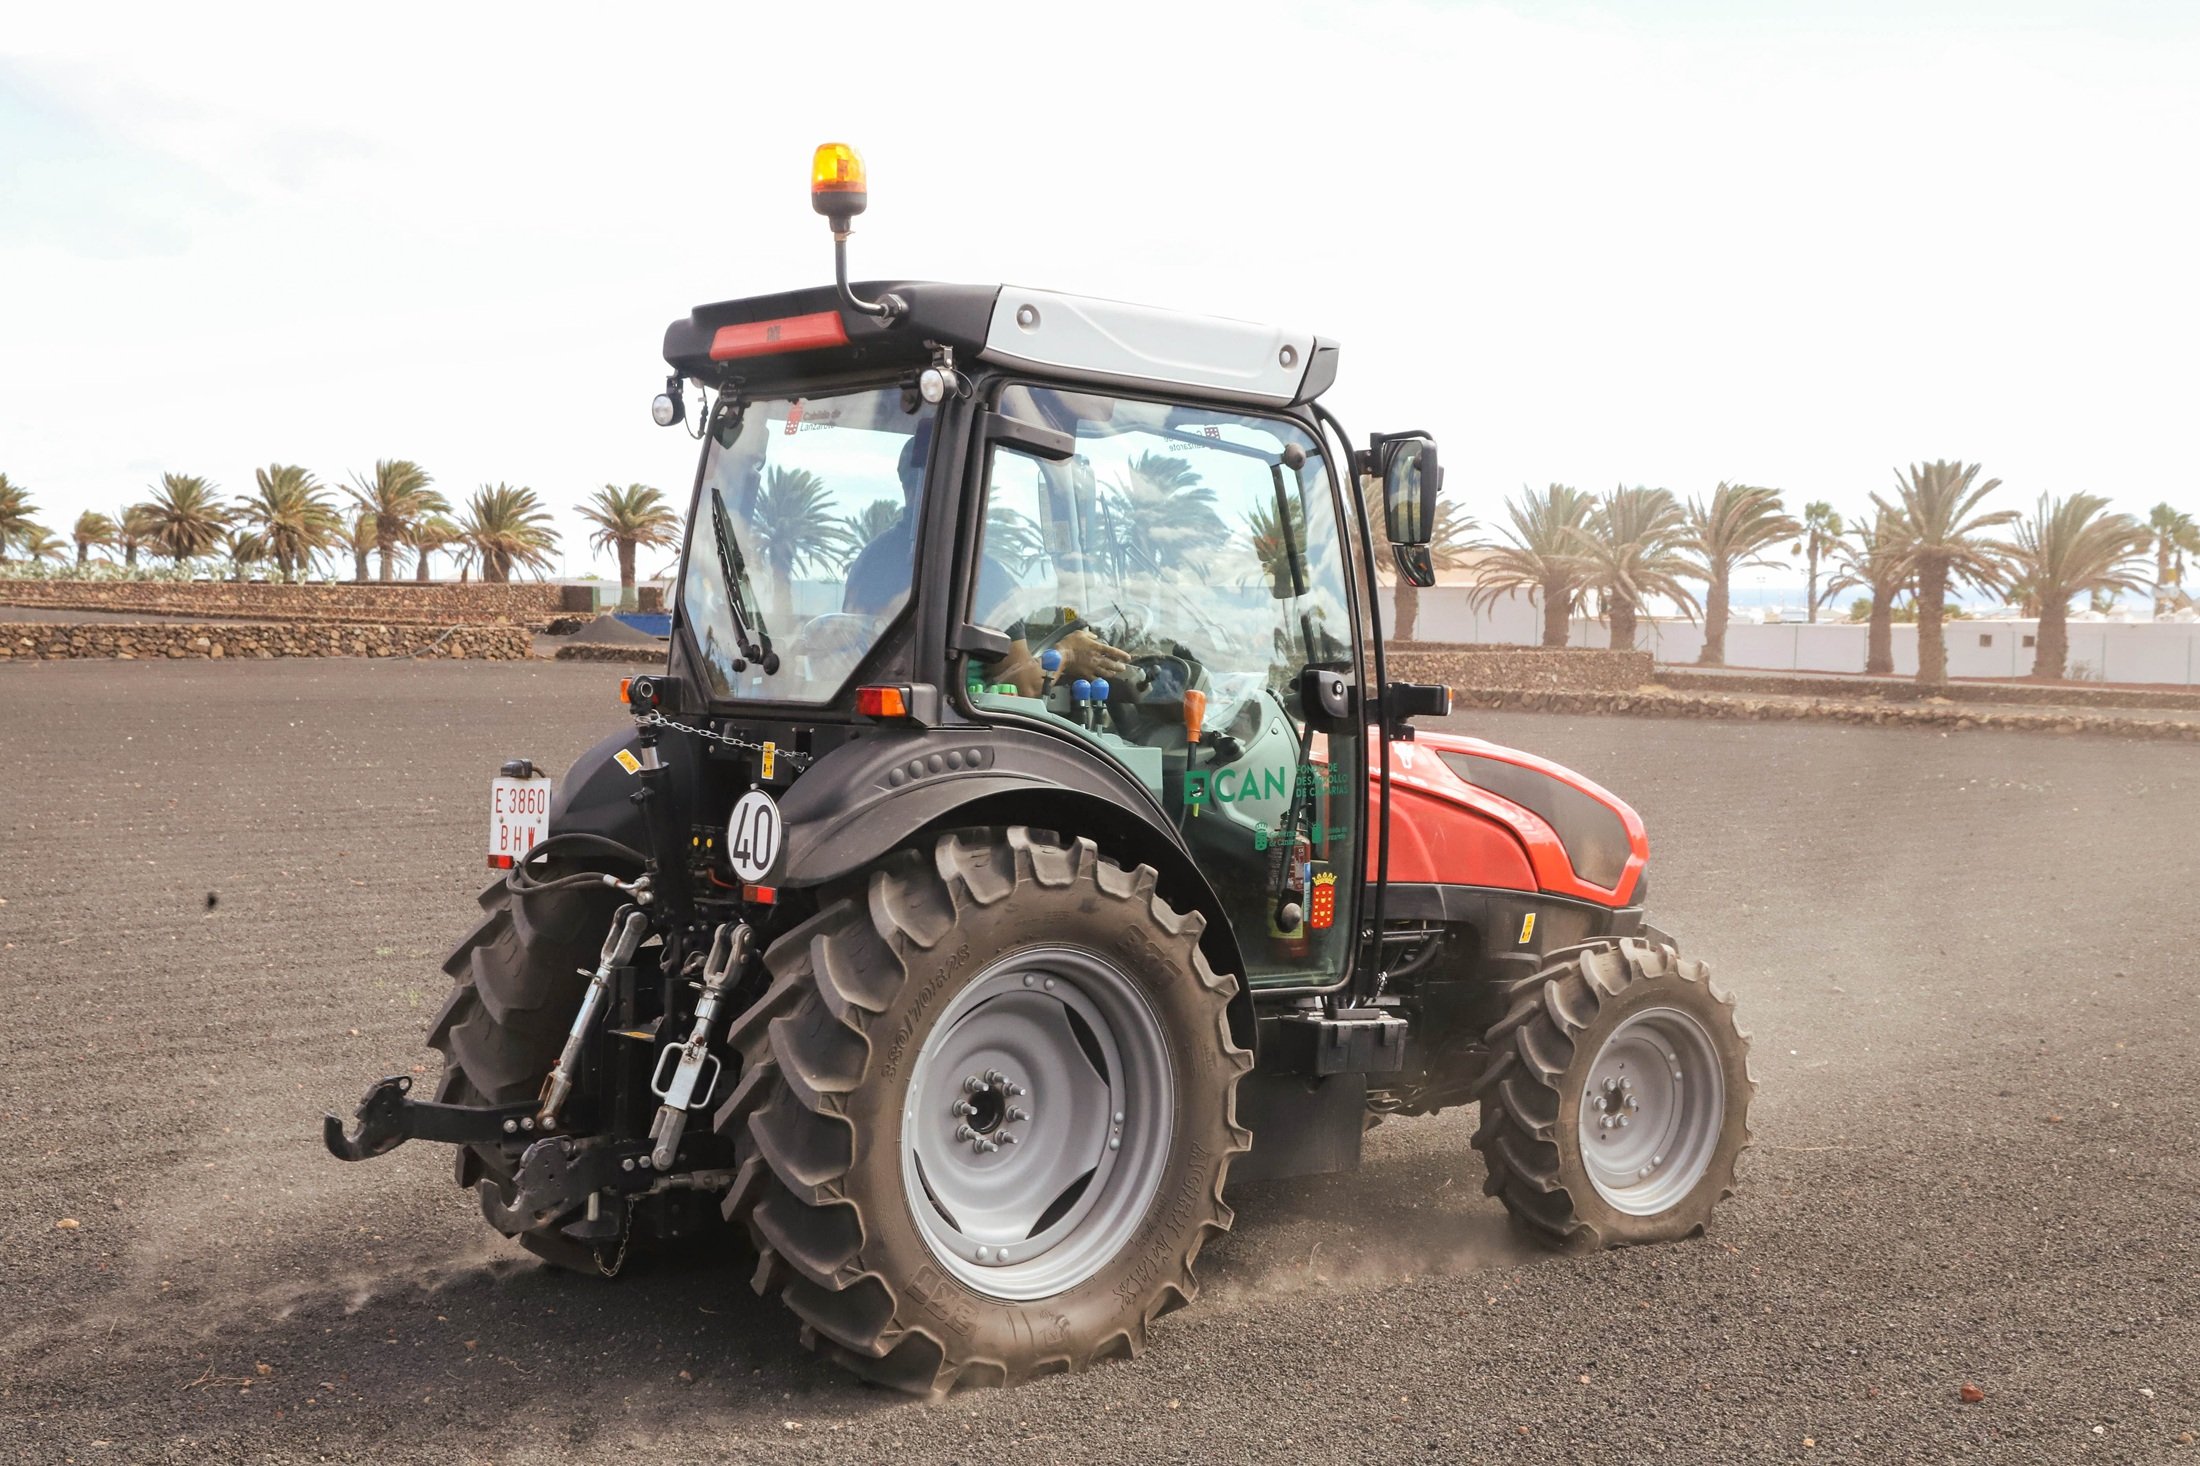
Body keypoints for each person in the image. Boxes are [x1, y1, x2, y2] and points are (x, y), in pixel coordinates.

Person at [843, 417, 1131, 697]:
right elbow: (1025, 685)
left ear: (906, 481)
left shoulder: (871, 559)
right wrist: (1067, 653)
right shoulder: (977, 572)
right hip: (955, 716)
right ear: (968, 480)